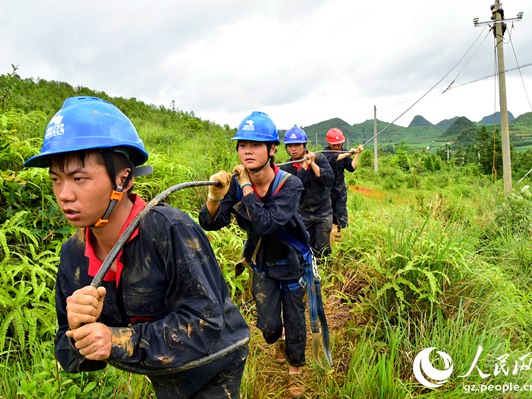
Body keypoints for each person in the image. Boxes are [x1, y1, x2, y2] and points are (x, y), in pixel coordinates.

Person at [23, 96, 250, 399]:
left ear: (124, 178)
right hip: (162, 371)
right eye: (56, 180)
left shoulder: (170, 230)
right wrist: (79, 331)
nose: (64, 194)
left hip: (214, 365)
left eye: (79, 178)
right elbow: (70, 356)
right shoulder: (74, 256)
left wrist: (117, 341)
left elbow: (206, 323)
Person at [199, 111, 309, 398]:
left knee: (296, 318)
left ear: (272, 150)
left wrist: (246, 185)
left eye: (256, 145)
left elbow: (265, 224)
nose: (247, 150)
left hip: (291, 264)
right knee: (270, 327)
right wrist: (215, 195)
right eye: (243, 144)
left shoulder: (290, 184)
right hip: (261, 265)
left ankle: (295, 367)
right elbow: (211, 223)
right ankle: (280, 338)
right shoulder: (236, 185)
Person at [280, 125, 334, 258]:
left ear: (304, 145)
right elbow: (296, 187)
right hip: (302, 213)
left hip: (323, 212)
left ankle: (325, 270)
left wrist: (313, 164)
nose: (293, 149)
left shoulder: (320, 158)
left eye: (297, 145)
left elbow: (330, 180)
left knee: (323, 247)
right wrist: (304, 166)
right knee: (304, 246)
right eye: (290, 145)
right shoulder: (287, 167)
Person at [322, 128, 364, 234]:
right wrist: (349, 153)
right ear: (329, 143)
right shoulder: (324, 154)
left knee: (342, 215)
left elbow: (351, 167)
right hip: (326, 192)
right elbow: (333, 159)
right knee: (328, 216)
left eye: (338, 144)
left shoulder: (345, 153)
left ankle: (343, 238)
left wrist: (357, 153)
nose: (336, 147)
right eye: (333, 145)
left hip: (340, 190)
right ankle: (329, 239)